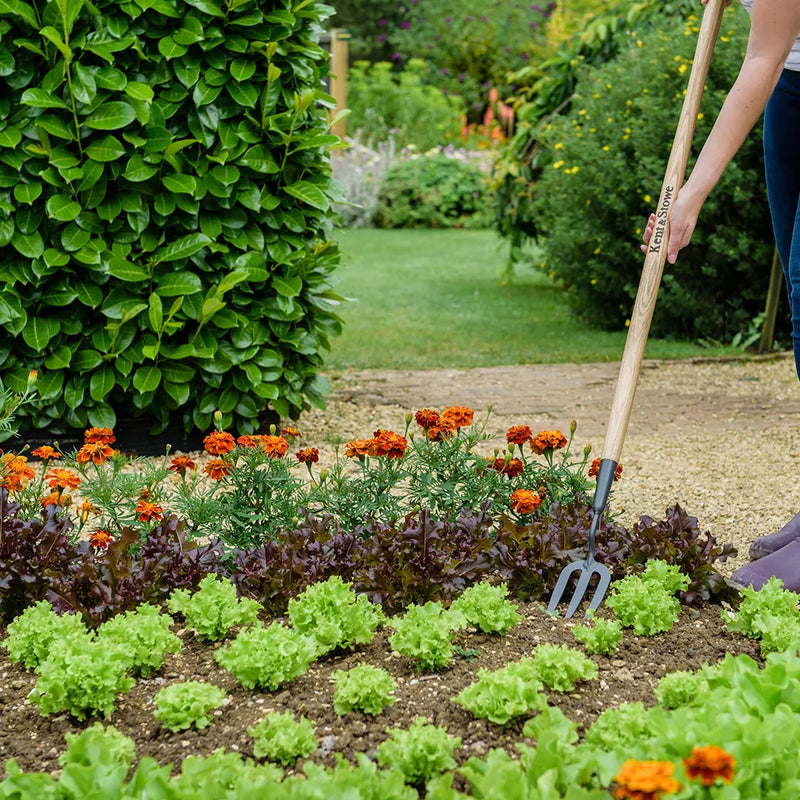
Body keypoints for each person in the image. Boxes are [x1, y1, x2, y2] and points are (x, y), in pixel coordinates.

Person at [640, 0, 800, 590]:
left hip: (779, 68)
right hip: (794, 89)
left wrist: (691, 194)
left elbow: (762, 53)